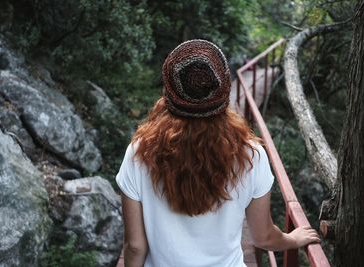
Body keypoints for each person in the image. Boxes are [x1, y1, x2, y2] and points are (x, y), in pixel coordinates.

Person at [116, 39, 320, 267]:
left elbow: (134, 246)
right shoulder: (251, 155)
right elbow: (262, 236)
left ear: (169, 91)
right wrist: (292, 239)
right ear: (224, 90)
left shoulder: (140, 151)